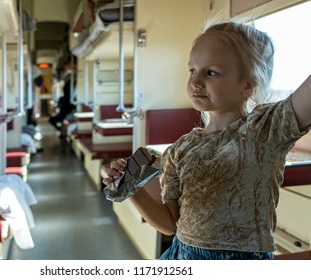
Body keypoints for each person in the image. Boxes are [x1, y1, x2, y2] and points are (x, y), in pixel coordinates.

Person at [102, 20, 311, 260]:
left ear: (247, 85)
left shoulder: (264, 131)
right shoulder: (180, 149)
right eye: (192, 70)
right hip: (184, 256)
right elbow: (170, 224)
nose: (196, 81)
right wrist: (132, 190)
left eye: (211, 72)